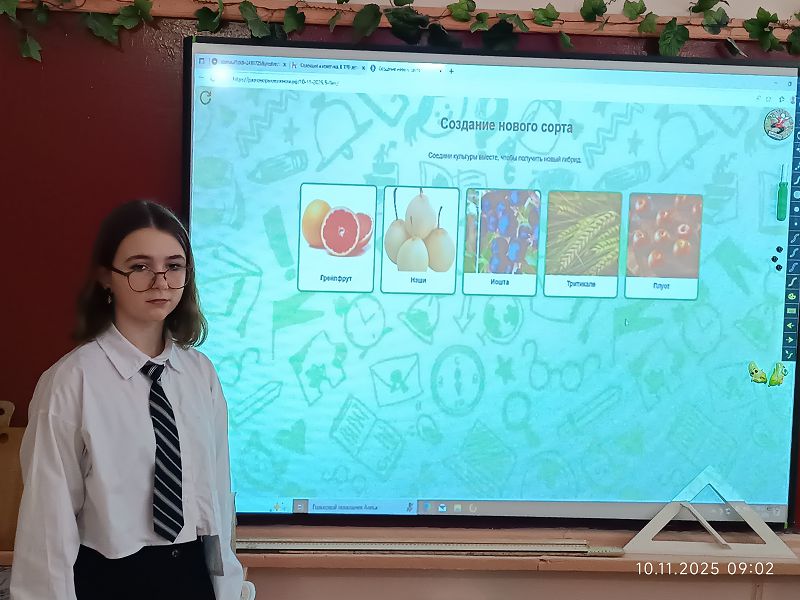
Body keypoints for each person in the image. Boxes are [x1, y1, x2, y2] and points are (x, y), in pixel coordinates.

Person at [10, 200, 245, 600]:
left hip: (191, 576)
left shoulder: (200, 374)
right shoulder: (71, 381)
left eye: (174, 266)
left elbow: (218, 497)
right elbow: (47, 527)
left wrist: (228, 589)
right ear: (107, 277)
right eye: (140, 267)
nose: (160, 282)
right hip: (109, 580)